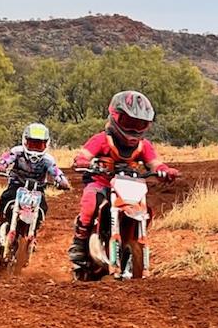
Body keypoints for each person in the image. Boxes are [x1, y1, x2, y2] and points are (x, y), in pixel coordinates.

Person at [68, 90, 180, 263]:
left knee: (144, 209)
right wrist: (83, 161)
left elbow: (155, 163)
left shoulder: (144, 146)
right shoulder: (102, 139)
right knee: (90, 203)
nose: (134, 129)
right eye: (129, 122)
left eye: (140, 124)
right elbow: (84, 154)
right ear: (115, 116)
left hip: (130, 186)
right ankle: (80, 243)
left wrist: (165, 171)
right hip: (101, 183)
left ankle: (132, 239)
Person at [0, 123, 70, 244]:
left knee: (43, 207)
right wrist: (1, 165)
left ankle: (34, 231)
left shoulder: (48, 160)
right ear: (25, 142)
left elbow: (56, 172)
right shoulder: (17, 152)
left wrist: (62, 181)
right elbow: (6, 159)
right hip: (17, 185)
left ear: (46, 144)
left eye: (39, 144)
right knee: (6, 197)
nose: (35, 148)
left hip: (38, 188)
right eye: (32, 144)